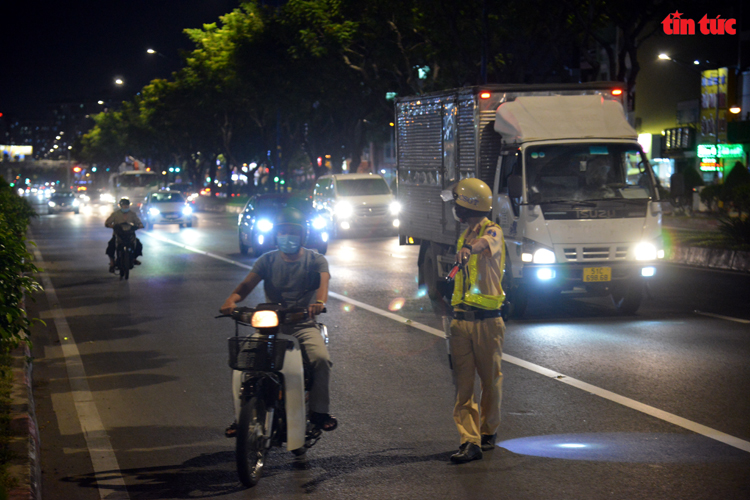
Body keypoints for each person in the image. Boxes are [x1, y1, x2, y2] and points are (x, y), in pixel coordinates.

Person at [220, 207, 337, 436]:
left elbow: (324, 283)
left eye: (292, 232)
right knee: (244, 365)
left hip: (302, 324)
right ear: (276, 235)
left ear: (303, 235)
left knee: (321, 360)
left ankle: (319, 412)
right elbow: (246, 286)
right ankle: (241, 417)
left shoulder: (316, 260)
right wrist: (231, 300)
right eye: (282, 232)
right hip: (269, 326)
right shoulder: (267, 260)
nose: (287, 237)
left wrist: (319, 302)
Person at [442, 178, 507, 464]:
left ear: (466, 206)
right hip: (461, 321)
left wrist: (472, 248)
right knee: (464, 386)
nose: (454, 209)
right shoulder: (463, 235)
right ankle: (470, 441)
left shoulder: (491, 231)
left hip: (487, 322)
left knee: (490, 381)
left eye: (457, 203)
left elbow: (485, 244)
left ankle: (488, 429)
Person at [105, 198, 144, 272]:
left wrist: (140, 225)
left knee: (139, 245)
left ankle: (134, 259)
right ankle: (112, 262)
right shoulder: (115, 214)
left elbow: (138, 222)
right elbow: (107, 222)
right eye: (124, 205)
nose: (125, 207)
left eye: (127, 205)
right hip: (118, 235)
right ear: (120, 206)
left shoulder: (132, 214)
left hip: (130, 235)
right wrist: (112, 226)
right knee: (111, 245)